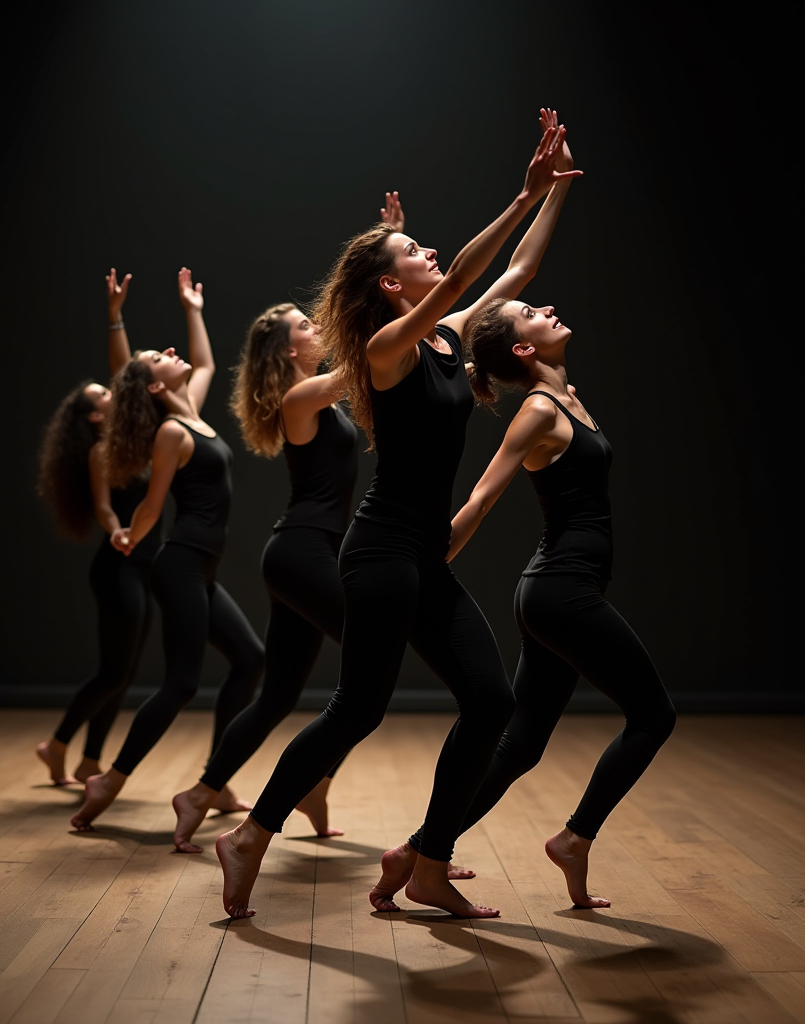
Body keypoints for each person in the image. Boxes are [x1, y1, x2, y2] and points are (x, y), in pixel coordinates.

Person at [216, 113, 581, 919]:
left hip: (424, 557)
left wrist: (551, 192)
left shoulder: (450, 339)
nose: (429, 254)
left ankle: (428, 862)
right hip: (377, 552)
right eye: (412, 253)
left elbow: (511, 273)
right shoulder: (386, 351)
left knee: (490, 700)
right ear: (390, 288)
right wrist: (518, 196)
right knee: (360, 707)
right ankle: (249, 834)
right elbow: (453, 287)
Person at [169, 196, 420, 852]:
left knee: (278, 694)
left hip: (303, 555)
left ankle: (202, 792)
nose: (315, 324)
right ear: (288, 348)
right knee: (372, 669)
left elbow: (359, 361)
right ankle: (303, 782)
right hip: (306, 553)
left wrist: (388, 244)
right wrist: (381, 268)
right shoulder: (299, 400)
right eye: (303, 325)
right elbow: (363, 357)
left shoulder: (319, 396)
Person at [441, 260, 677, 909]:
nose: (546, 310)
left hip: (558, 592)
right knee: (654, 716)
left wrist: (553, 190)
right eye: (532, 314)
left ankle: (423, 847)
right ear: (523, 349)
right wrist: (430, 565)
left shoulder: (567, 397)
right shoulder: (540, 412)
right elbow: (482, 499)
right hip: (560, 592)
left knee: (520, 746)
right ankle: (575, 837)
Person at [70, 268, 264, 830]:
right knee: (181, 683)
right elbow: (153, 505)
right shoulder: (170, 433)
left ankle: (216, 780)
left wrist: (193, 308)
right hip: (178, 565)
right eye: (161, 357)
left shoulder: (191, 414)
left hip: (200, 568)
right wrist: (130, 531)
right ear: (154, 386)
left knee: (250, 660)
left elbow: (203, 364)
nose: (173, 353)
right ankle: (112, 778)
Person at [35, 269, 159, 785]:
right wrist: (118, 531)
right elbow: (106, 508)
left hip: (144, 561)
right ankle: (56, 744)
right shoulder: (102, 450)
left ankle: (89, 761)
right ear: (92, 418)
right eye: (101, 398)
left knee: (125, 673)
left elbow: (125, 378)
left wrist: (115, 317)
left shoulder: (137, 437)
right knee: (114, 670)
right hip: (119, 564)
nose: (113, 395)